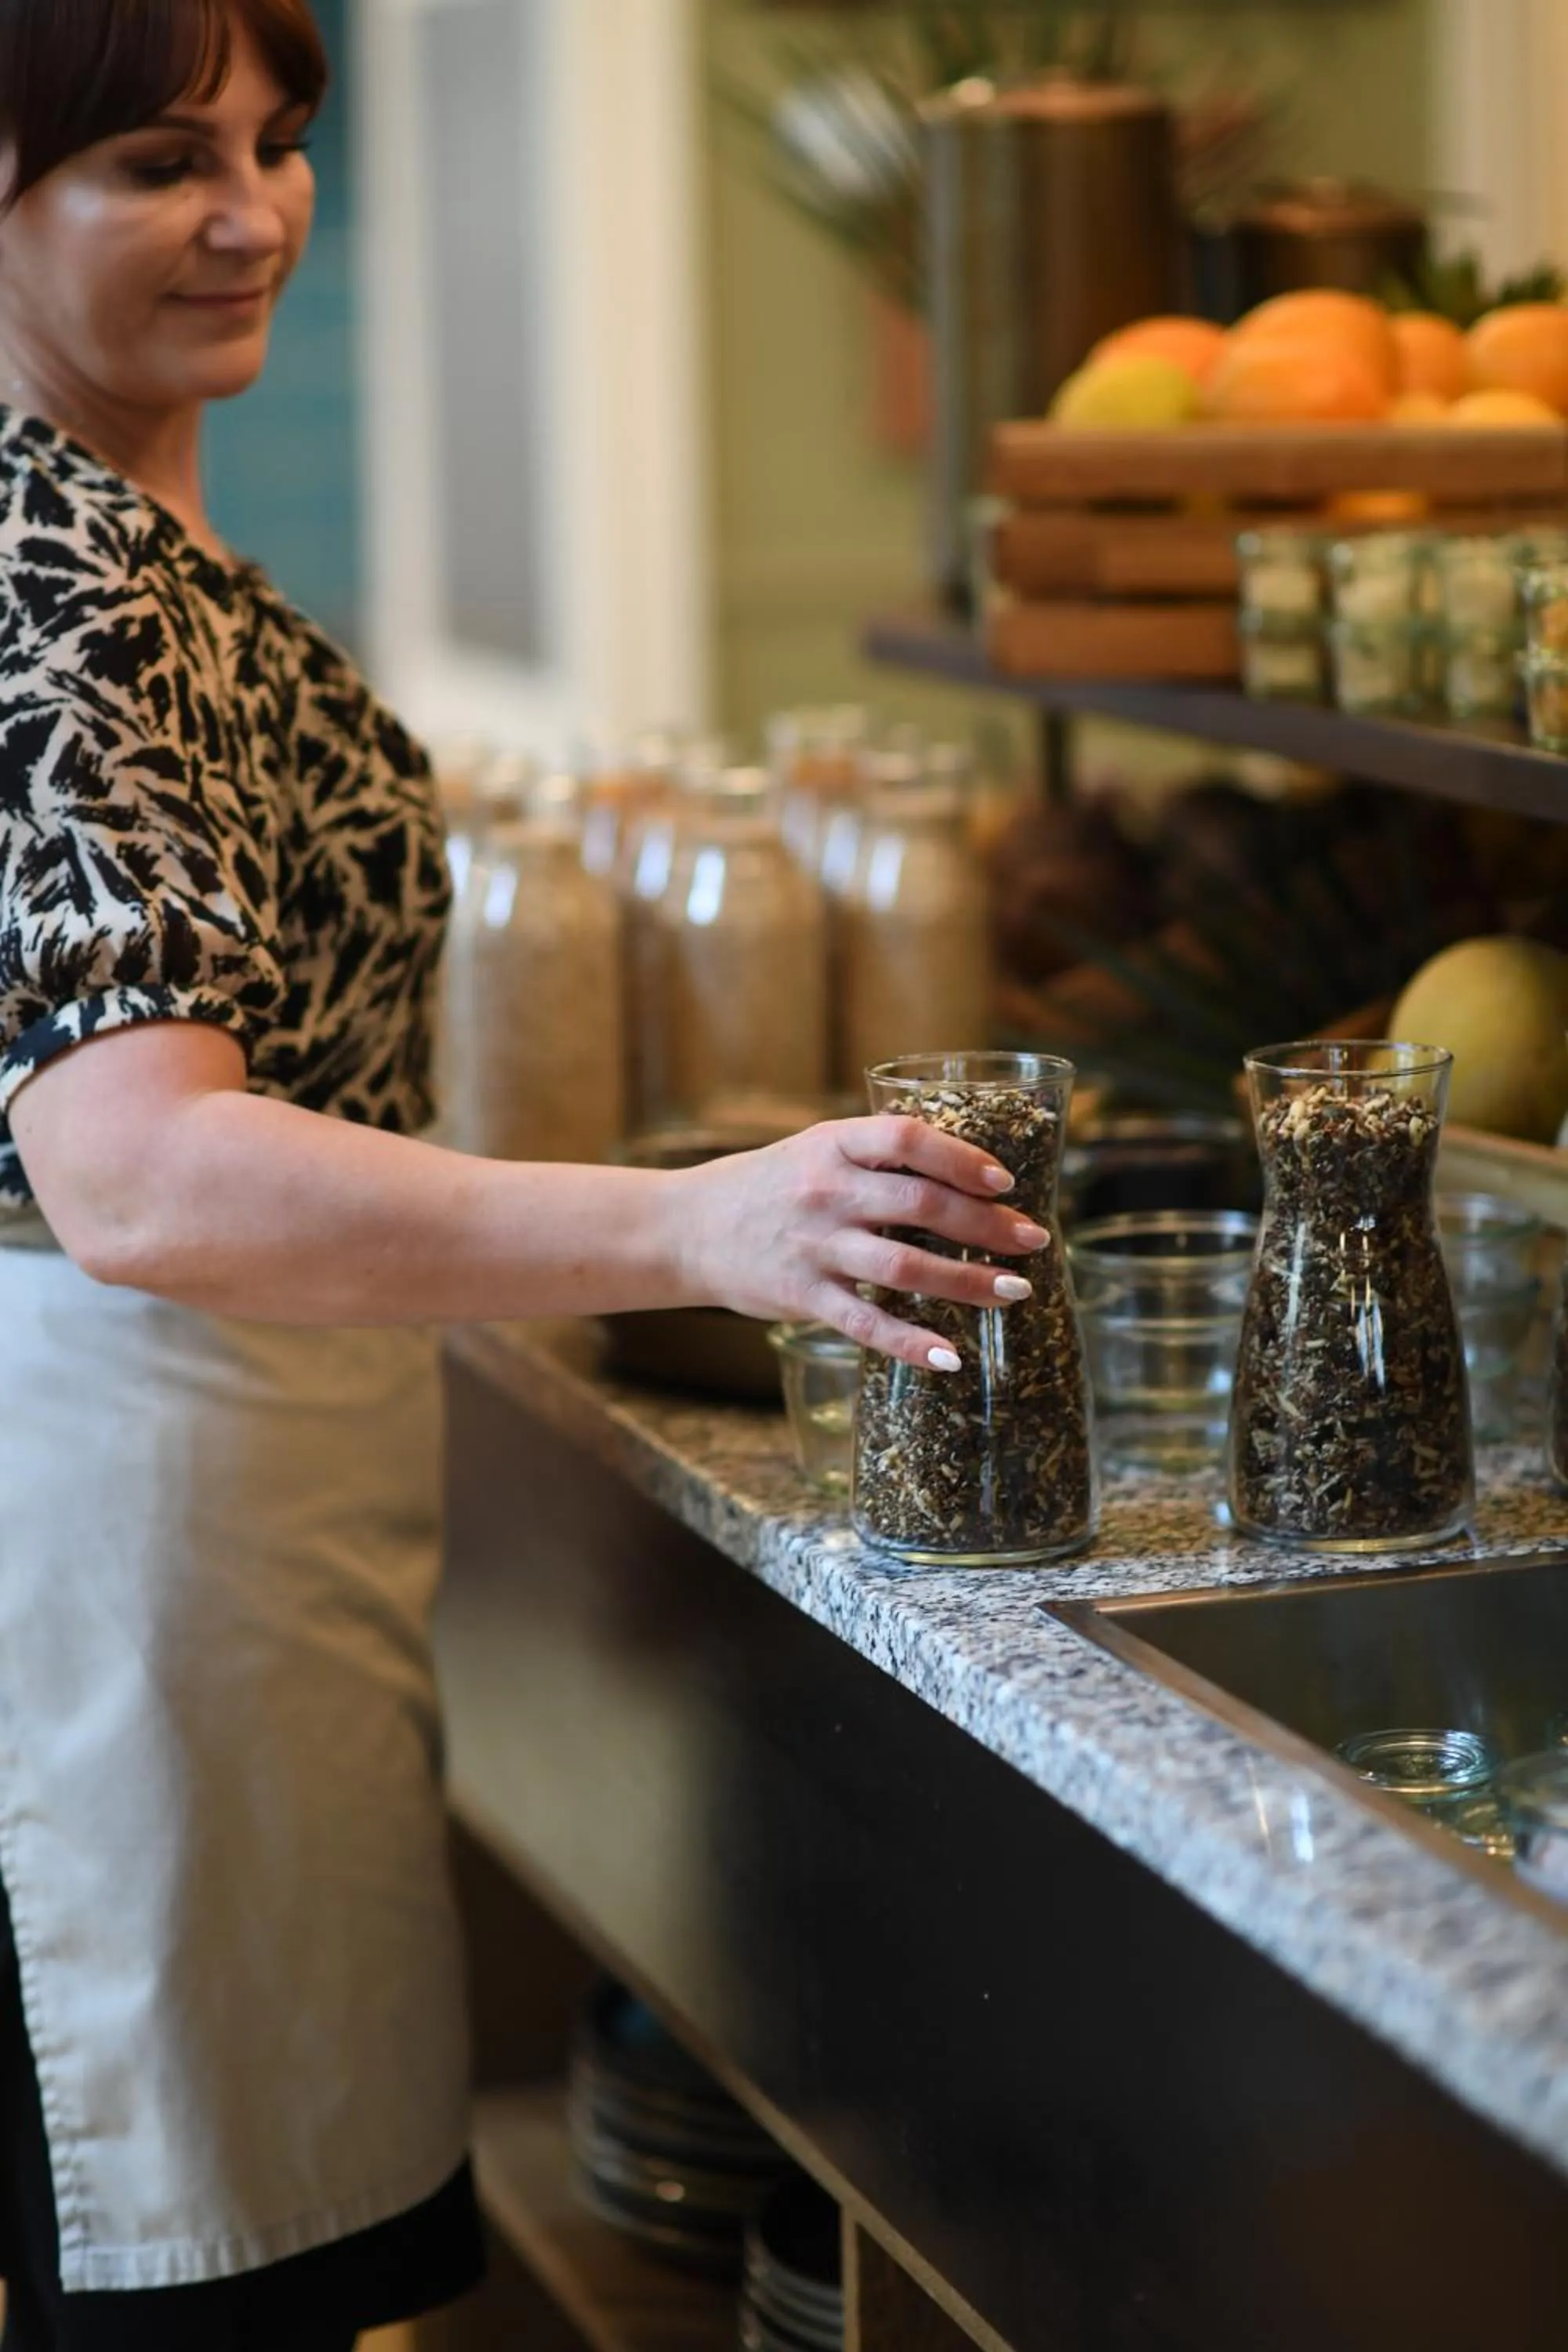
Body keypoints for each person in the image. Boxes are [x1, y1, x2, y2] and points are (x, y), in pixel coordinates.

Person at [0, 4, 1044, 2346]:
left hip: (222, 1499)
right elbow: (141, 1172)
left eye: (278, 142)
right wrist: (695, 1218)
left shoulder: (123, 506)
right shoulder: (49, 569)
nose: (253, 213)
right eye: (159, 159)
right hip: (121, 1514)